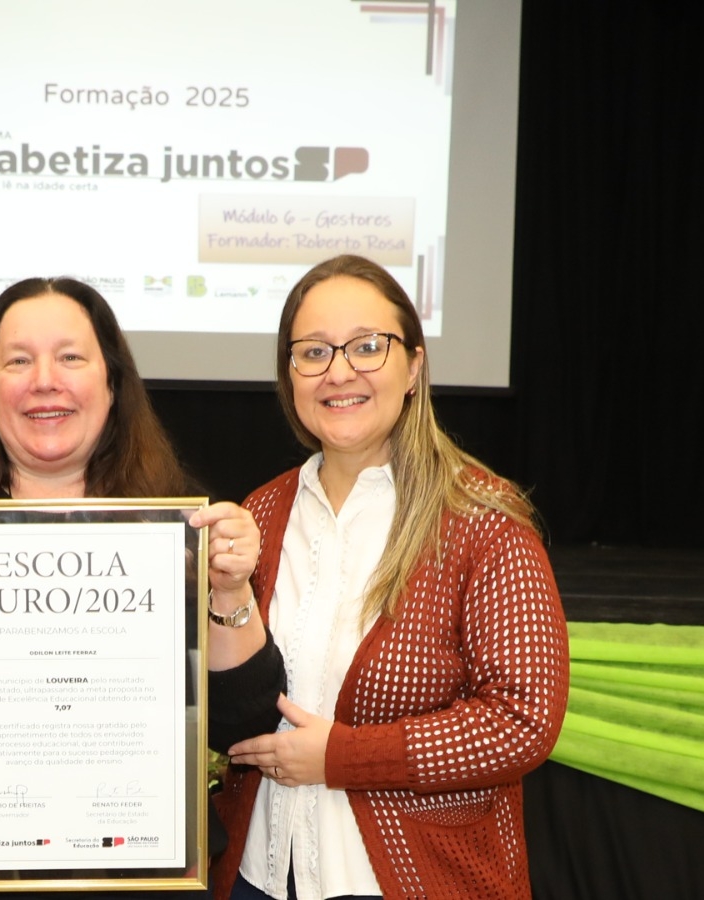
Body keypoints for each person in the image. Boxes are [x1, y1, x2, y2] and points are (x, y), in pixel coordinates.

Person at [0, 277, 288, 898]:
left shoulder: (178, 531)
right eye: (18, 361)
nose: (45, 380)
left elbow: (243, 723)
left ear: (112, 383)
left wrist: (230, 591)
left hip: (146, 877)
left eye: (70, 357)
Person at [212, 255, 570, 900]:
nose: (338, 371)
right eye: (313, 352)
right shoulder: (260, 513)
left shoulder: (484, 522)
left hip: (416, 882)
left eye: (367, 347)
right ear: (289, 376)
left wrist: (342, 758)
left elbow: (521, 722)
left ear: (413, 367)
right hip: (259, 876)